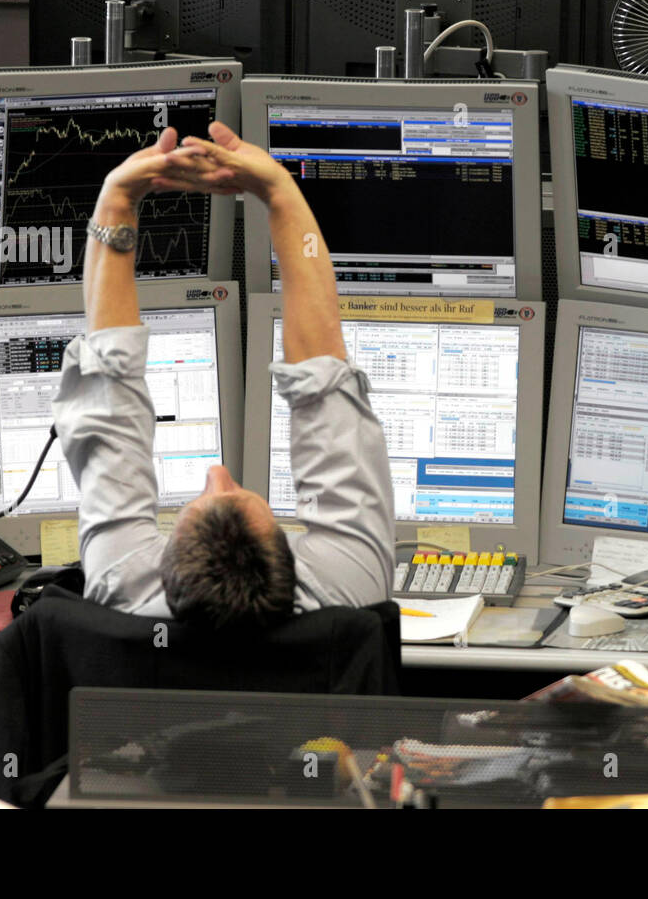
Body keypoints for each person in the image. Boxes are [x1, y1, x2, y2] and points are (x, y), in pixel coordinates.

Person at [50, 121, 395, 627]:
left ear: (160, 566)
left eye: (207, 498)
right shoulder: (347, 593)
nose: (219, 474)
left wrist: (116, 199)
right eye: (234, 493)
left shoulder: (124, 593)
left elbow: (110, 386)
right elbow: (321, 372)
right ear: (290, 556)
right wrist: (279, 189)